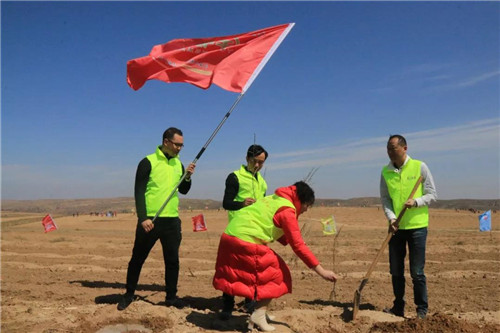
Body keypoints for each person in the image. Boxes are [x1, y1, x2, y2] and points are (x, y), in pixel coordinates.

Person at [213, 181, 338, 331]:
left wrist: (292, 237)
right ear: (301, 200)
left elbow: (273, 225)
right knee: (277, 274)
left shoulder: (275, 199)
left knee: (258, 276)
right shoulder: (287, 210)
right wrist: (322, 271)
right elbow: (298, 246)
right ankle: (258, 314)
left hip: (230, 236)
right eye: (307, 206)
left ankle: (258, 311)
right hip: (245, 240)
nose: (306, 210)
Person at [118, 127, 196, 311]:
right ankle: (129, 295)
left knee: (172, 261)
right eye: (177, 144)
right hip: (150, 221)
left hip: (172, 221)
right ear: (166, 142)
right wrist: (143, 217)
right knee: (137, 259)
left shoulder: (179, 164)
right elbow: (138, 191)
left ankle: (171, 297)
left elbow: (184, 190)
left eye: (182, 145)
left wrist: (188, 177)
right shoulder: (148, 162)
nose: (179, 148)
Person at [380, 134, 437, 319]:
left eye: (393, 148)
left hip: (417, 227)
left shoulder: (420, 166)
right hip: (396, 228)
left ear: (405, 148)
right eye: (388, 149)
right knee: (395, 270)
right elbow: (386, 200)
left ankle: (421, 311)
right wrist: (391, 218)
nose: (390, 152)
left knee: (417, 272)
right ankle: (398, 307)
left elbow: (432, 194)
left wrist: (417, 202)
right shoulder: (385, 172)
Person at [219, 144, 269, 320]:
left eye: (261, 163)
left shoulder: (262, 182)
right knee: (231, 270)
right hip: (236, 231)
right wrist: (241, 204)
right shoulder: (235, 177)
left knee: (252, 270)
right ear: (247, 158)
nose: (257, 166)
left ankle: (250, 302)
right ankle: (227, 305)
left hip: (255, 232)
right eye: (255, 161)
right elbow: (226, 203)